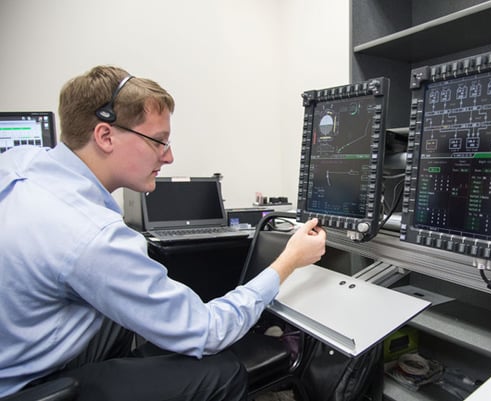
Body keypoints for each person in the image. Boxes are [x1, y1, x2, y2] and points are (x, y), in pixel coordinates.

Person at [0, 65, 326, 401]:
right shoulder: (92, 235)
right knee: (222, 373)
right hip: (28, 389)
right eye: (159, 142)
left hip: (14, 351)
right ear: (105, 136)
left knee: (125, 313)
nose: (169, 156)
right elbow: (209, 332)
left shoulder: (20, 161)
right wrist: (288, 261)